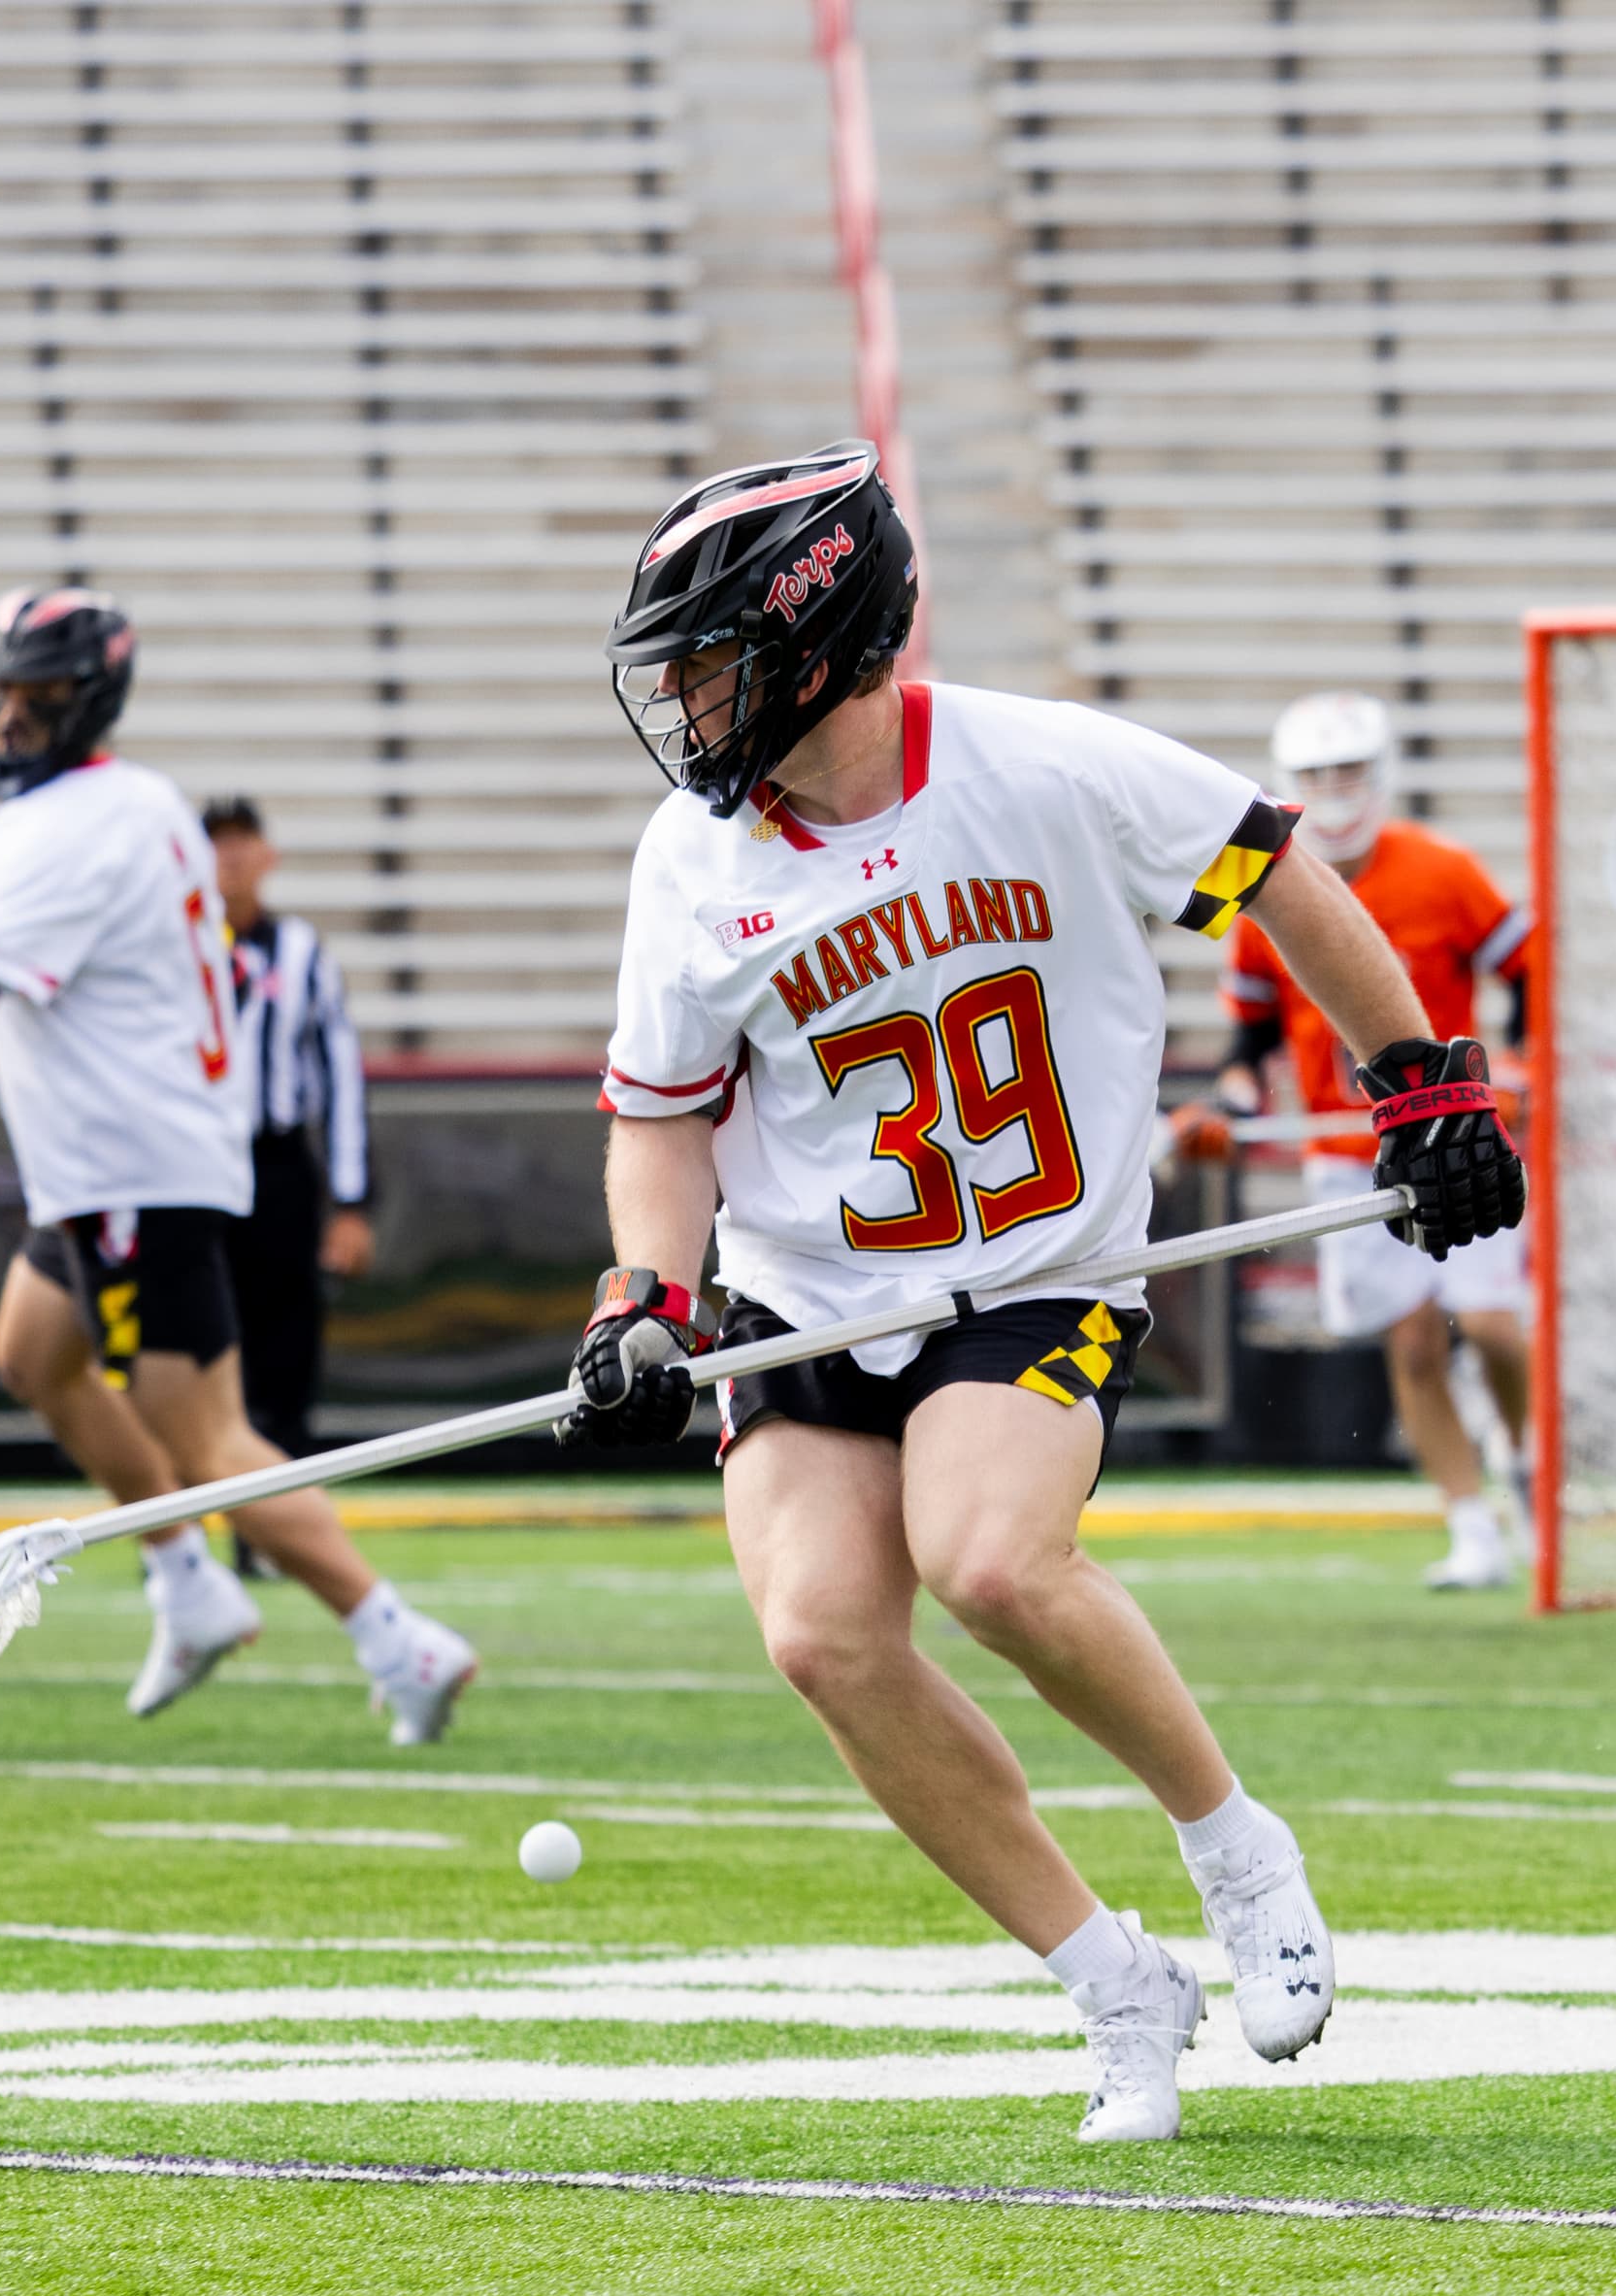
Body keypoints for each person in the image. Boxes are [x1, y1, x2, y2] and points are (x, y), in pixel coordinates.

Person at [563, 444, 1523, 2143]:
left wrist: (1422, 1082)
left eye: (711, 663)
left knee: (992, 1558)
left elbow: (1279, 868)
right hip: (806, 1287)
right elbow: (661, 1118)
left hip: (1032, 1266)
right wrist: (646, 1289)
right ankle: (1113, 1983)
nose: (690, 706)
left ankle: (1236, 1846)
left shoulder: (1048, 766)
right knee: (821, 1636)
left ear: (814, 638)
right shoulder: (689, 862)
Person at [0, 588, 480, 1744]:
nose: (12, 720)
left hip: (134, 1167)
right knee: (32, 1350)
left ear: (86, 701)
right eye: (3, 696)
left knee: (208, 1432)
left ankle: (396, 1636)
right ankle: (187, 1580)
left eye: (37, 698)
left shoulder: (61, 827)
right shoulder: (137, 800)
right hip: (124, 1155)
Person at [1174, 690, 1538, 1591]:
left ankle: (1530, 1466)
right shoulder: (1262, 885)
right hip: (1349, 1155)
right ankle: (1470, 1524)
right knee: (1412, 1343)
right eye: (1317, 775)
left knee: (1493, 1327)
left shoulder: (1440, 870)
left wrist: (1522, 1064)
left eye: (1350, 772)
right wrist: (1230, 1101)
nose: (1336, 791)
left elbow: (1527, 972)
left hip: (1456, 1133)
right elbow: (1251, 1044)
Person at [198, 795, 376, 1466]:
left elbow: (342, 1079)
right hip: (196, 1171)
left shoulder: (302, 951)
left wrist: (352, 1203)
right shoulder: (172, 951)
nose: (231, 857)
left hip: (276, 1170)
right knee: (201, 1348)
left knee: (285, 1350)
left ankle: (276, 1520)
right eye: (216, 842)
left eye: (242, 840)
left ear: (267, 856)